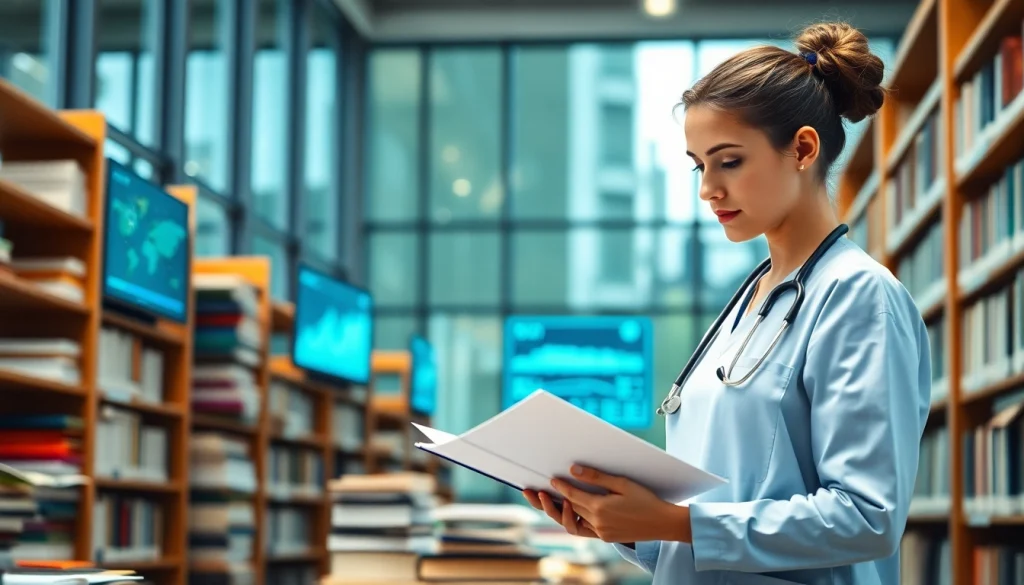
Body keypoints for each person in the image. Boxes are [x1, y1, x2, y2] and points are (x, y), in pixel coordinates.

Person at [522, 21, 932, 585]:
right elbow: (722, 508)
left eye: (729, 161)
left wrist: (676, 521)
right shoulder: (747, 301)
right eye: (699, 164)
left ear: (803, 148)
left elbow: (866, 517)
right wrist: (631, 526)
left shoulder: (860, 298)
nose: (707, 188)